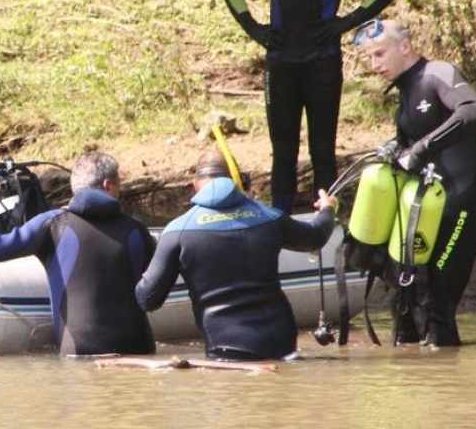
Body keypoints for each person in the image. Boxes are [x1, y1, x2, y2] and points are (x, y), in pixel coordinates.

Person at [220, 0, 402, 213]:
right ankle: (281, 222)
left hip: (323, 59)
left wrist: (346, 22)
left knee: (323, 149)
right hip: (281, 61)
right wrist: (253, 28)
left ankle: (327, 222)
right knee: (283, 150)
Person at [0, 151, 157, 356]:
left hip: (81, 355)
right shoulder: (137, 231)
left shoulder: (53, 224)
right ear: (109, 185)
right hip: (141, 350)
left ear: (76, 188)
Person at [135, 150, 338, 361]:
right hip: (281, 341)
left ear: (195, 185)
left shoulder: (178, 231)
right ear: (234, 180)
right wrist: (327, 210)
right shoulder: (270, 217)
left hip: (225, 350)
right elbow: (316, 236)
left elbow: (147, 299)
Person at [354, 19, 476, 346]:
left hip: (462, 205)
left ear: (405, 46)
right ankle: (412, 380)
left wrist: (423, 147)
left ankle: (446, 385)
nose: (375, 64)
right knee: (405, 298)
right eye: (369, 58)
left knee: (436, 302)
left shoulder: (436, 74)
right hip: (426, 207)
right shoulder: (405, 93)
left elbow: (473, 109)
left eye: (380, 54)